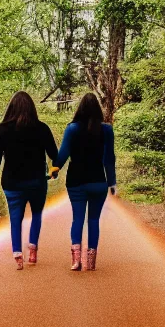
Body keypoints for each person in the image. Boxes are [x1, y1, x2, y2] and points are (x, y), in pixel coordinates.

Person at [0, 91, 58, 270]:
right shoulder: (42, 128)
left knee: (15, 218)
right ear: (32, 108)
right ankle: (33, 249)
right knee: (37, 215)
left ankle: (18, 255)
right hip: (37, 182)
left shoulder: (2, 129)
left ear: (11, 108)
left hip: (12, 183)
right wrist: (54, 168)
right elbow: (54, 154)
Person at [51, 93, 116, 271]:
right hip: (98, 182)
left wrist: (54, 169)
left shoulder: (72, 129)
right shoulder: (106, 130)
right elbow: (109, 158)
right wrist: (112, 183)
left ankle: (76, 261)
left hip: (76, 181)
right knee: (94, 220)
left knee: (77, 219)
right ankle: (91, 263)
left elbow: (63, 154)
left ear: (80, 109)